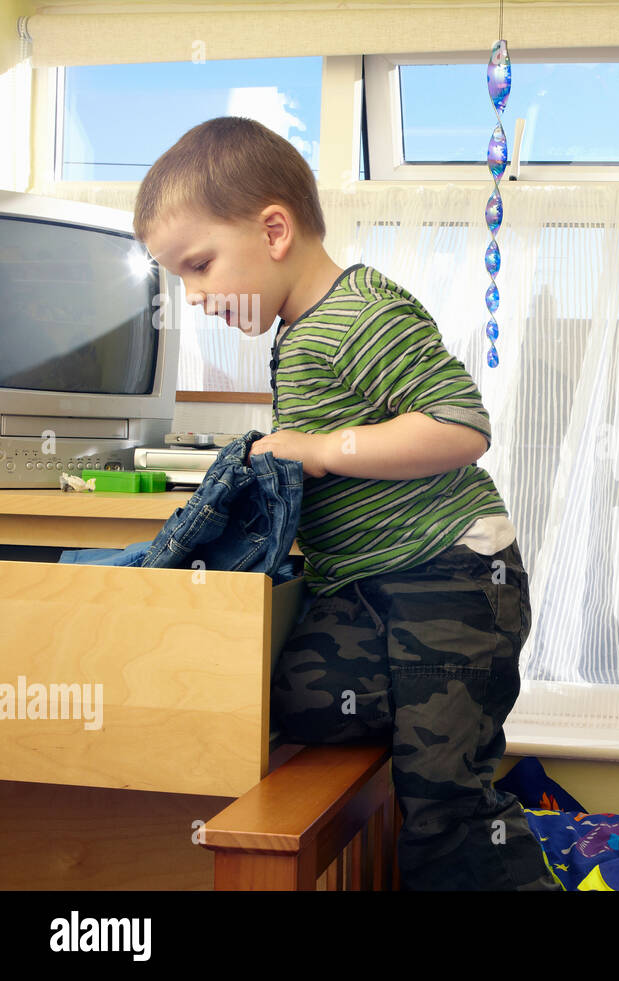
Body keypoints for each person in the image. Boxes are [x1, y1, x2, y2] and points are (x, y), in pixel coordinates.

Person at [133, 116, 555, 890]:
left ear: (273, 229)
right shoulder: (299, 333)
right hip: (371, 586)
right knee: (295, 698)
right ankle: (431, 724)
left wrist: (321, 449)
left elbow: (462, 426)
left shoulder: (357, 311)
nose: (190, 296)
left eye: (198, 265)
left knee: (444, 811)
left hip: (450, 575)